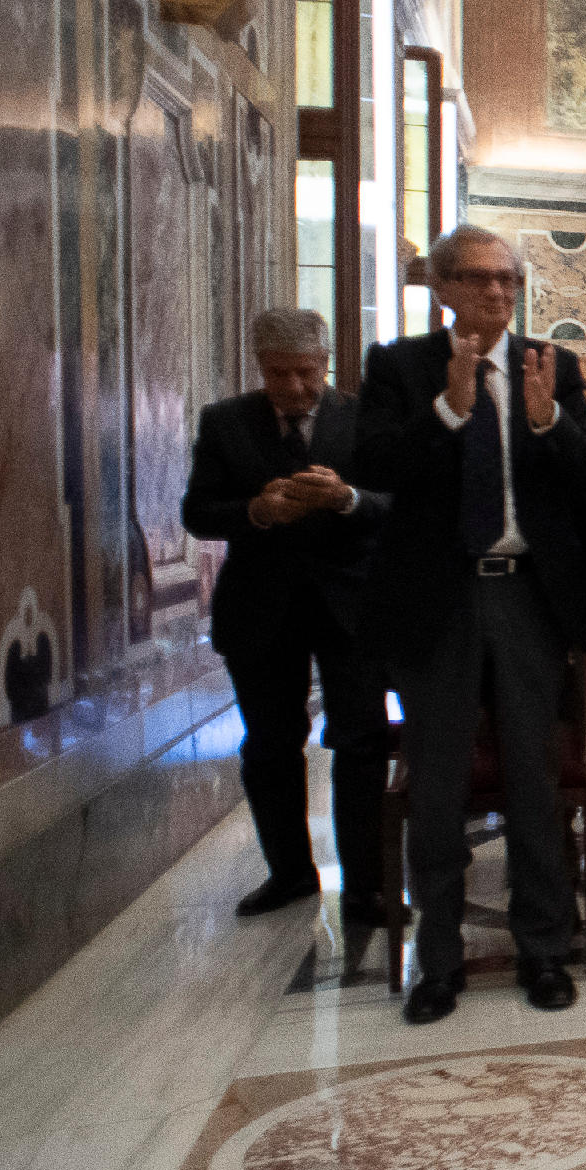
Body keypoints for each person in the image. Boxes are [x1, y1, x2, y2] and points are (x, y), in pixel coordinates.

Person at [357, 229, 586, 1025]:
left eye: (508, 279)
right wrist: (448, 410)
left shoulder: (550, 365)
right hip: (439, 600)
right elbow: (374, 467)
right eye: (478, 279)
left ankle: (544, 949)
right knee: (438, 787)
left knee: (535, 783)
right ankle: (437, 960)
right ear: (442, 287)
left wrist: (549, 424)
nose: (498, 293)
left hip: (527, 596)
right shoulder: (400, 366)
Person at [184, 308, 394, 924]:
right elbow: (198, 511)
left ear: (325, 363)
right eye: (280, 374)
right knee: (271, 745)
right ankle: (290, 873)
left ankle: (365, 886)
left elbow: (396, 505)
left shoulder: (362, 418)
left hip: (350, 606)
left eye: (307, 372)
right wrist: (257, 511)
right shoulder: (225, 422)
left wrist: (346, 499)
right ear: (260, 366)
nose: (296, 387)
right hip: (260, 606)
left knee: (360, 739)